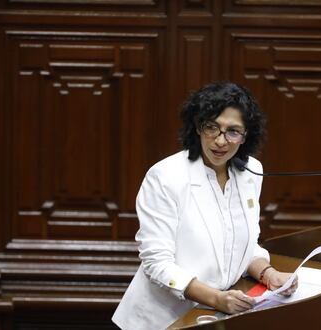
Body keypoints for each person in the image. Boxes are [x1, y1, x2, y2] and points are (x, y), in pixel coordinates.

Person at [112, 81, 298, 330]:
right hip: (163, 320)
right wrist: (216, 298)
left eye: (233, 131)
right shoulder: (166, 176)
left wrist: (269, 274)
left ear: (245, 136)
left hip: (217, 316)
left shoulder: (251, 172)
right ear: (198, 128)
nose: (221, 141)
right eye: (212, 127)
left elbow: (242, 245)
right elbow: (156, 262)